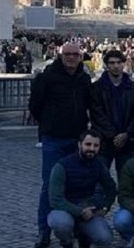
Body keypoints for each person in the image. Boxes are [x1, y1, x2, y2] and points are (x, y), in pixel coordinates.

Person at [29, 42, 93, 248]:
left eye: (75, 54)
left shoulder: (84, 78)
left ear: (80, 57)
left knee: (76, 185)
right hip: (54, 139)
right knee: (49, 185)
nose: (71, 57)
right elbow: (35, 106)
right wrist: (49, 123)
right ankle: (44, 232)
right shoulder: (46, 77)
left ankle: (77, 229)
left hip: (77, 140)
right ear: (60, 55)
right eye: (67, 54)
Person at [47, 129, 116, 248]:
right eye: (88, 144)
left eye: (96, 145)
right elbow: (55, 199)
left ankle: (83, 234)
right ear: (79, 144)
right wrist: (79, 211)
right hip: (65, 208)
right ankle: (66, 241)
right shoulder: (62, 166)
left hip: (88, 209)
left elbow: (111, 188)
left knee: (104, 238)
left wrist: (105, 207)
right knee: (62, 224)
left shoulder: (99, 165)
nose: (92, 149)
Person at [89, 49, 134, 173]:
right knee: (99, 179)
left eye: (119, 62)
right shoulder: (96, 88)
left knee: (126, 181)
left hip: (127, 141)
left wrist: (127, 134)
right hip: (103, 140)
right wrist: (113, 135)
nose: (116, 66)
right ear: (107, 65)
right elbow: (96, 114)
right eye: (112, 63)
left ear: (123, 64)